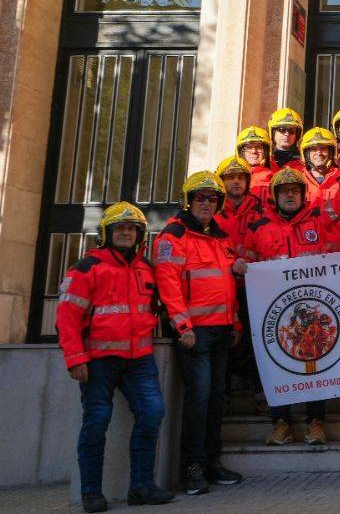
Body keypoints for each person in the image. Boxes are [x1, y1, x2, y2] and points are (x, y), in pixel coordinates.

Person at [57, 202, 174, 512]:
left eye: (132, 229)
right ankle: (91, 493)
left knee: (152, 413)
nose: (125, 233)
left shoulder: (147, 268)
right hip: (98, 361)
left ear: (140, 235)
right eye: (119, 228)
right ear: (106, 233)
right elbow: (67, 316)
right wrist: (75, 358)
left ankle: (142, 487)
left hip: (139, 359)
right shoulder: (86, 267)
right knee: (96, 422)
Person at [241, 167, 340, 446]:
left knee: (316, 364)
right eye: (284, 191)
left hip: (312, 309)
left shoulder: (319, 220)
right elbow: (246, 266)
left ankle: (316, 422)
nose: (290, 195)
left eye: (295, 191)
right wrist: (240, 266)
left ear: (303, 195)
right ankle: (281, 423)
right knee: (276, 366)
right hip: (273, 311)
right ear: (274, 196)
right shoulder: (257, 228)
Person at [153, 172, 244, 495]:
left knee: (216, 400)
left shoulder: (220, 236)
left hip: (221, 331)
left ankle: (211, 462)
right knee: (199, 400)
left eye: (212, 199)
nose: (206, 204)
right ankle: (191, 467)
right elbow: (168, 283)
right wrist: (182, 326)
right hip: (195, 334)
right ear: (188, 201)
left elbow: (227, 284)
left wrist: (235, 321)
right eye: (200, 198)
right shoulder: (173, 236)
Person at [214, 156, 266, 401]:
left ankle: (258, 389)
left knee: (256, 338)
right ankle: (224, 393)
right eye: (230, 178)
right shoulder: (212, 211)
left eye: (240, 177)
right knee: (225, 341)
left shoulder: (261, 210)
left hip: (252, 287)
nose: (236, 182)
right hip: (221, 287)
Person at [235, 125, 274, 199]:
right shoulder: (231, 175)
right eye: (249, 147)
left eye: (258, 147)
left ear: (265, 151)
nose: (254, 151)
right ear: (241, 152)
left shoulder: (273, 177)